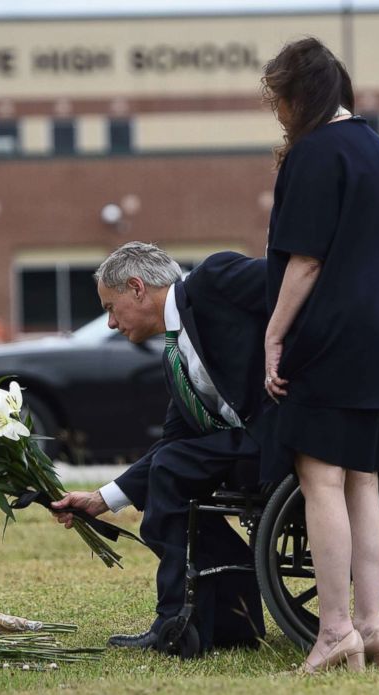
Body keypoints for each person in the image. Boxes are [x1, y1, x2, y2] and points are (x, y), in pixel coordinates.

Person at [260, 38, 379, 673]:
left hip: (329, 334)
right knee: (365, 481)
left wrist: (273, 335)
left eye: (278, 99)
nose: (278, 113)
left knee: (321, 480)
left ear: (301, 95)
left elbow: (307, 259)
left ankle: (334, 631)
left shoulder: (315, 152)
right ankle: (374, 628)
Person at [52, 242, 271, 654]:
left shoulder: (212, 283)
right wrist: (102, 499)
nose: (112, 323)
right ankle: (233, 624)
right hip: (245, 449)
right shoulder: (175, 357)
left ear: (137, 288)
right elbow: (174, 441)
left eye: (110, 308)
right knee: (172, 463)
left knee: (172, 468)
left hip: (282, 435)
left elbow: (292, 284)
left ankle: (175, 625)